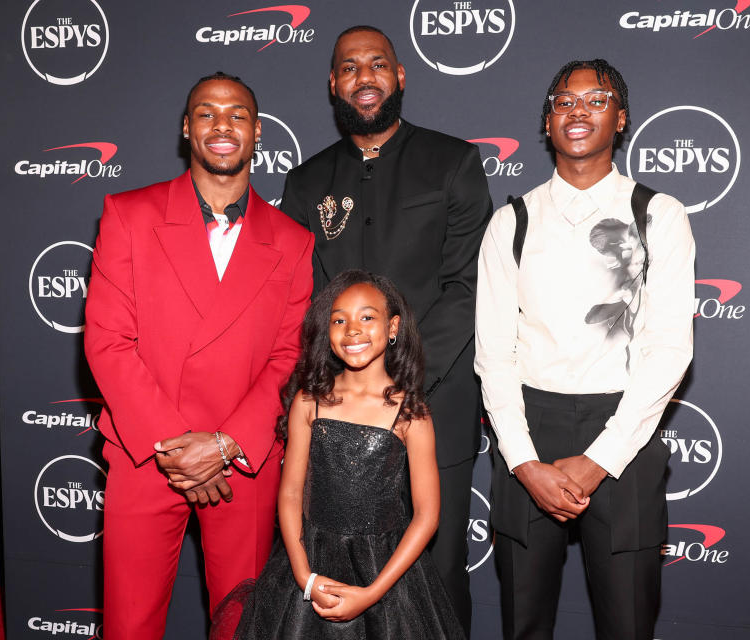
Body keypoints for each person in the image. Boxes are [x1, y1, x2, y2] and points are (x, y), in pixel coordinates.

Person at [84, 71, 314, 639]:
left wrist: (226, 443)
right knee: (129, 624)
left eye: (237, 114)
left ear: (257, 132)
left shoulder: (292, 239)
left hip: (242, 460)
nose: (222, 124)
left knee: (243, 623)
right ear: (187, 128)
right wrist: (175, 446)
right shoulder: (129, 215)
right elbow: (108, 340)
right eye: (206, 112)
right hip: (145, 452)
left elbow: (290, 356)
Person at [280, 26, 492, 632]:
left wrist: (402, 379)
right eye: (349, 67)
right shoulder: (305, 182)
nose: (364, 77)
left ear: (401, 76)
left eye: (377, 65)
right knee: (334, 563)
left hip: (431, 401)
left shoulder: (452, 162)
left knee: (438, 571)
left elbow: (467, 286)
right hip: (335, 418)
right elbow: (301, 300)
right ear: (332, 84)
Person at [474, 59, 695, 639]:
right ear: (547, 121)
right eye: (564, 101)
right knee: (524, 624)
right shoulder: (510, 222)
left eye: (596, 100)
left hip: (625, 428)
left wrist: (599, 459)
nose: (578, 111)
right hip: (529, 424)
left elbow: (671, 348)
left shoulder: (660, 215)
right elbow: (493, 353)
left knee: (627, 625)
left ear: (620, 119)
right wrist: (523, 462)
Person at [212, 270, 465, 639]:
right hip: (308, 564)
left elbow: (426, 515)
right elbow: (291, 494)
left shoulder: (411, 413)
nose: (352, 330)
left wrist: (373, 593)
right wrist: (304, 577)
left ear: (393, 327)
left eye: (367, 317)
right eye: (339, 319)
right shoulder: (308, 402)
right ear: (327, 333)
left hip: (385, 574)